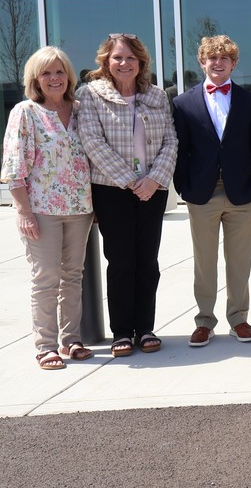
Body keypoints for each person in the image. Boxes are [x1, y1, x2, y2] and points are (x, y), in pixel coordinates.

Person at [78, 33, 178, 357]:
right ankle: (121, 331)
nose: (124, 63)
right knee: (121, 261)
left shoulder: (157, 96)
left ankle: (145, 328)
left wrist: (153, 180)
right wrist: (130, 181)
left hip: (153, 189)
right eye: (118, 57)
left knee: (148, 261)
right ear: (106, 61)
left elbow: (171, 142)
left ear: (141, 63)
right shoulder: (91, 95)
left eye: (131, 58)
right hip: (112, 190)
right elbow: (92, 142)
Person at [172, 35, 251, 347]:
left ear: (233, 64)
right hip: (202, 192)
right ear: (202, 62)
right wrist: (183, 186)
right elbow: (180, 150)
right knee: (205, 261)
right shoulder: (183, 104)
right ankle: (204, 321)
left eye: (223, 58)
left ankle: (238, 318)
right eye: (211, 58)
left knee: (239, 261)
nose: (217, 63)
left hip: (242, 193)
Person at [2, 47, 94, 369]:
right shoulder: (25, 112)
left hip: (80, 208)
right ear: (35, 79)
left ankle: (72, 340)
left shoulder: (83, 110)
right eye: (46, 73)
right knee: (46, 277)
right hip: (42, 209)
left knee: (73, 275)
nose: (54, 78)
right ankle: (46, 346)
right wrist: (23, 211)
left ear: (68, 76)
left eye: (59, 72)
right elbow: (14, 166)